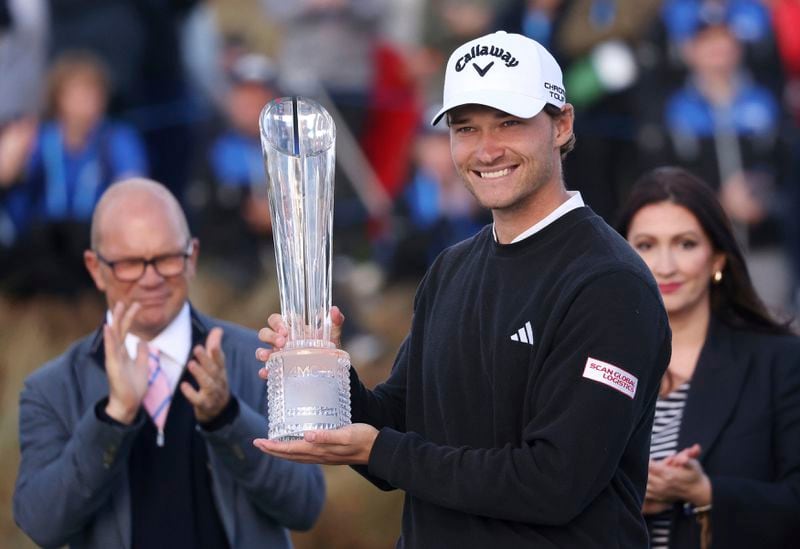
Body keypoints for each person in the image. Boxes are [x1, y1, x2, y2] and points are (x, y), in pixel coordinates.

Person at [254, 31, 671, 547]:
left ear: (561, 124)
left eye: (509, 123)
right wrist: (329, 384)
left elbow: (555, 481)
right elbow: (402, 426)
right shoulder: (451, 268)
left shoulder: (609, 282)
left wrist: (379, 449)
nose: (486, 149)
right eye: (465, 128)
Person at [13, 178, 325, 548]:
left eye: (166, 259)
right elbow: (41, 524)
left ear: (191, 258)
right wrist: (113, 418)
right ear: (95, 269)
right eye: (130, 263)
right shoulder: (51, 390)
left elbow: (305, 505)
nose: (151, 278)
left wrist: (228, 418)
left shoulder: (257, 358)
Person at [616, 166, 800, 549]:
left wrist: (706, 492)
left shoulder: (778, 361)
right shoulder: (588, 360)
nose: (665, 266)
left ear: (717, 259)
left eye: (685, 244)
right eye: (646, 245)